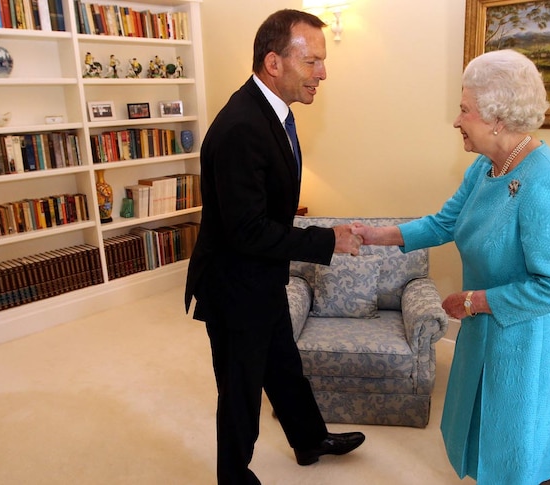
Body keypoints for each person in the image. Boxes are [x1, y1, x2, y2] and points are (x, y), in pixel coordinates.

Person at [352, 49, 550, 484]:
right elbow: (446, 222)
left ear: (497, 117)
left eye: (463, 109)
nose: (456, 120)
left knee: (512, 450)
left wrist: (475, 300)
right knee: (476, 432)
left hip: (524, 340)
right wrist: (375, 235)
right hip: (482, 326)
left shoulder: (548, 180)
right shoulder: (484, 167)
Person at [184, 9, 365, 485]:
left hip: (260, 276)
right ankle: (234, 476)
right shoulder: (242, 126)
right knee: (240, 389)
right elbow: (247, 231)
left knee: (283, 364)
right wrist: (327, 239)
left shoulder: (273, 112)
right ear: (273, 63)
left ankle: (309, 440)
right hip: (233, 284)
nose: (323, 73)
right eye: (313, 62)